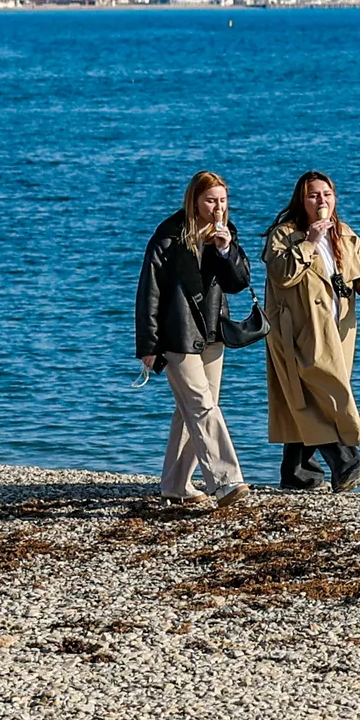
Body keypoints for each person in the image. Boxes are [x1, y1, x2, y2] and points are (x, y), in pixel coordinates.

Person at [262, 171, 360, 493]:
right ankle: (347, 464)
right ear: (301, 201)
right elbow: (282, 275)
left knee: (305, 398)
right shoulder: (285, 235)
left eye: (326, 194)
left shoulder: (344, 234)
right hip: (298, 333)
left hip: (338, 333)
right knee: (321, 397)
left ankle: (298, 475)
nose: (321, 201)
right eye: (313, 195)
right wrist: (310, 242)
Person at [134, 170, 252, 508]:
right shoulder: (168, 237)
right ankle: (226, 481)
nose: (218, 207)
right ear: (195, 201)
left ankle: (175, 484)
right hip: (177, 334)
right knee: (200, 405)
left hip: (212, 332)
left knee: (193, 408)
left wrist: (226, 249)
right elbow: (149, 292)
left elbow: (239, 282)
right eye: (211, 200)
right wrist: (148, 345)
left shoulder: (225, 234)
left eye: (223, 200)